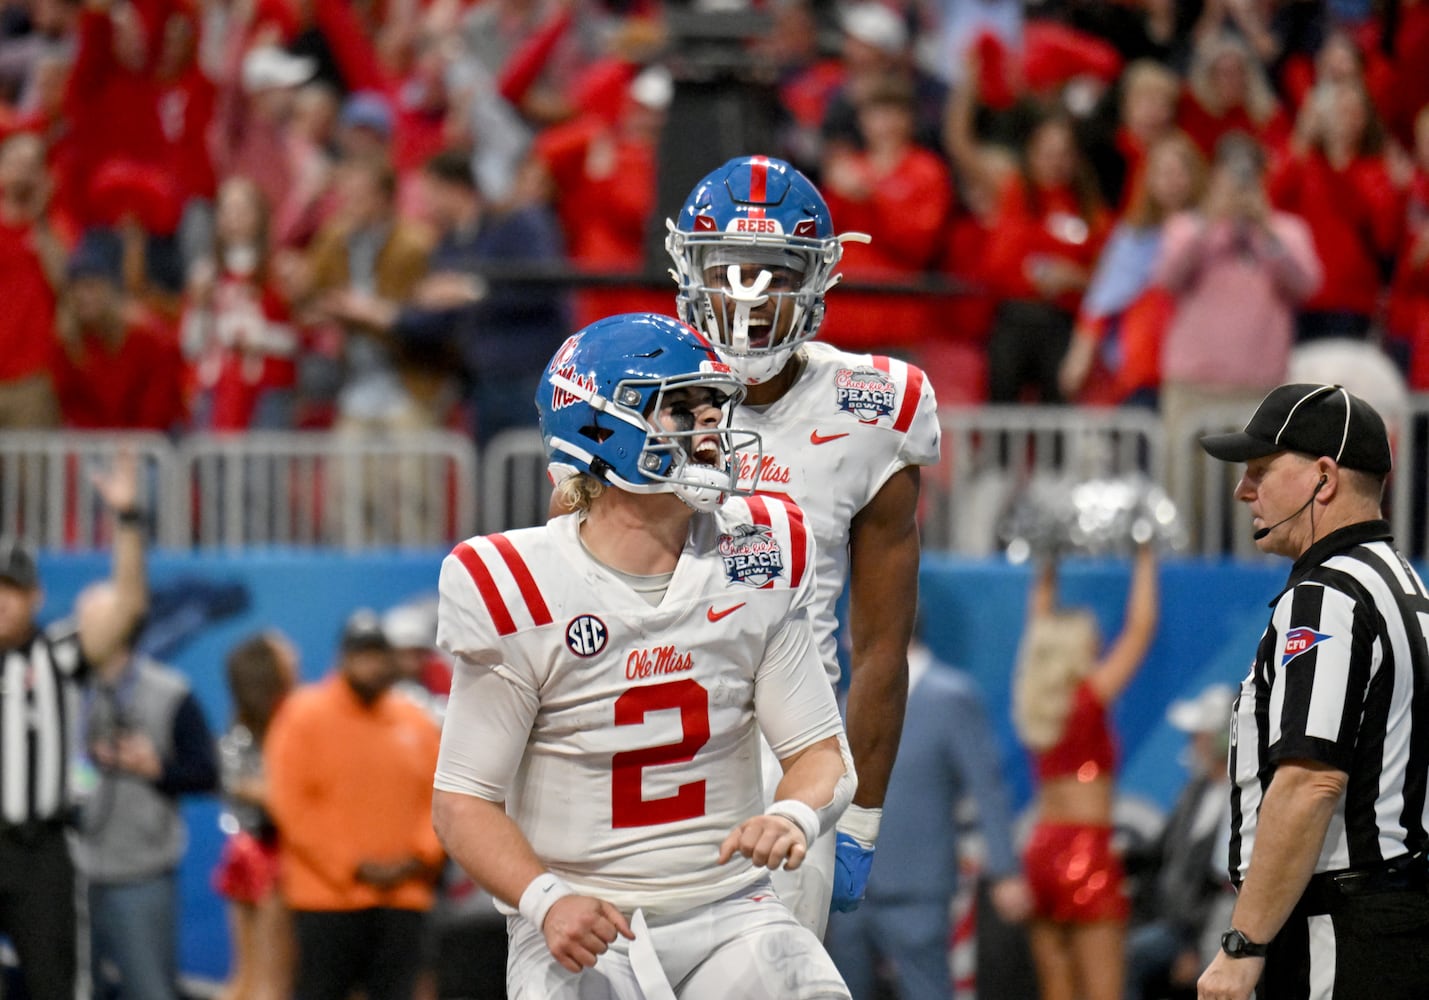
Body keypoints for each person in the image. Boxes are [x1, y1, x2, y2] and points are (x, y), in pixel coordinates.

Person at [433, 312, 855, 999]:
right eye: (678, 408)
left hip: (729, 911)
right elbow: (462, 802)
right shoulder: (518, 584)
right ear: (598, 427)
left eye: (712, 402)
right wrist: (543, 901)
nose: (709, 427)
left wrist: (793, 815)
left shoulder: (756, 554)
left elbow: (819, 753)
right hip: (582, 915)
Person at [664, 154, 941, 933]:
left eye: (773, 274)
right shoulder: (631, 388)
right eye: (729, 271)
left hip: (787, 758)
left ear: (817, 281)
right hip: (639, 739)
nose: (749, 299)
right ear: (690, 269)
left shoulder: (872, 406)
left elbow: (883, 647)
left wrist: (861, 816)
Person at [1197, 383, 1429, 1000]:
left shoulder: (1327, 597)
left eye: (1261, 470)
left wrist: (1242, 946)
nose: (1245, 490)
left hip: (1341, 928)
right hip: (1396, 918)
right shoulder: (1405, 587)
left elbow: (1310, 780)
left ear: (1324, 477)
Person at [0, 451, 147, 1000]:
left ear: (35, 597)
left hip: (40, 850)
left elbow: (127, 606)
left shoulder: (57, 652)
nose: (0, 602)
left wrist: (128, 520)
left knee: (54, 983)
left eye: (10, 589)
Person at [824, 635, 1032, 999]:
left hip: (916, 887)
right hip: (847, 888)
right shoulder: (846, 697)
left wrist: (1005, 870)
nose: (844, 639)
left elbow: (986, 788)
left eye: (852, 628)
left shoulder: (950, 696)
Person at [264, 609, 444, 1000]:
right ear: (342, 657)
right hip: (327, 899)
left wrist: (418, 857)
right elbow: (292, 805)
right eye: (361, 654)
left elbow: (440, 797)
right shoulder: (303, 716)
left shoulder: (415, 722)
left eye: (377, 655)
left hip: (404, 897)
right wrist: (351, 866)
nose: (370, 664)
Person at [1012, 542, 1159, 1000]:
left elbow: (1037, 623)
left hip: (1041, 849)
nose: (1099, 645)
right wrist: (1144, 555)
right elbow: (1140, 629)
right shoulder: (1088, 700)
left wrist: (1049, 557)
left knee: (1057, 990)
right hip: (1087, 852)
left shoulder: (1034, 699)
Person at [76, 584, 220, 1000]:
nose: (79, 632)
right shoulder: (70, 688)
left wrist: (155, 768)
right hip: (74, 870)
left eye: (89, 622)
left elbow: (205, 773)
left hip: (140, 876)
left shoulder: (169, 691)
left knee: (149, 989)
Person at [1124, 684, 1236, 1000]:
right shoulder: (1194, 791)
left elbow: (1223, 887)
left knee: (1134, 955)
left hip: (1205, 932)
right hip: (1171, 925)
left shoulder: (1241, 799)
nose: (1193, 744)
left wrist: (1194, 947)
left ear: (1221, 738)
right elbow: (1155, 854)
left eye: (1198, 735)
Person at [213, 631, 300, 1000]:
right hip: (272, 858)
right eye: (286, 655)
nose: (296, 657)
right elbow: (255, 788)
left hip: (248, 852)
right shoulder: (285, 729)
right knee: (268, 981)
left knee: (250, 979)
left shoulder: (241, 730)